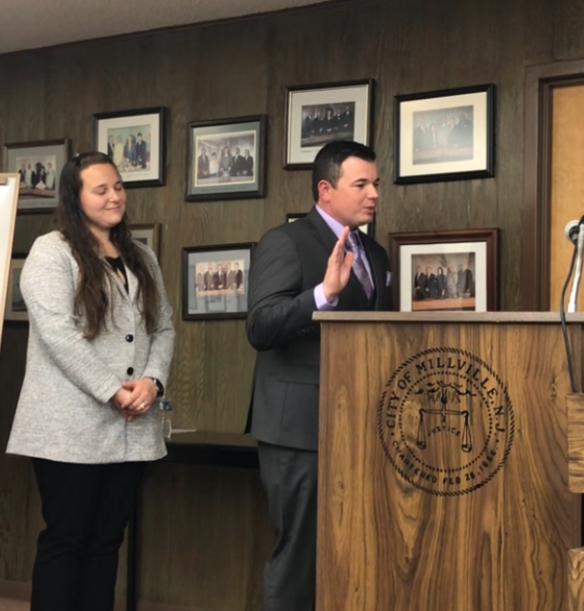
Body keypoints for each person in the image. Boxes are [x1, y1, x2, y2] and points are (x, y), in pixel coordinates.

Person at [6, 151, 174, 611]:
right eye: (100, 190)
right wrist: (113, 390)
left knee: (106, 542)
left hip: (132, 426)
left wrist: (153, 381)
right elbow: (57, 334)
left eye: (118, 186)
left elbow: (163, 328)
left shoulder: (141, 256)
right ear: (75, 198)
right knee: (68, 538)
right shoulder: (52, 251)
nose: (114, 196)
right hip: (68, 428)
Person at [246, 140, 390, 611]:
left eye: (376, 183)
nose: (374, 194)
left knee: (349, 549)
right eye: (361, 184)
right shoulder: (284, 242)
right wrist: (323, 295)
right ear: (325, 189)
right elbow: (261, 326)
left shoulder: (375, 253)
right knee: (299, 557)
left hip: (358, 425)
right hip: (297, 430)